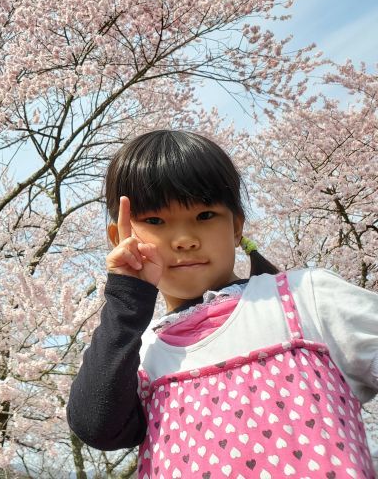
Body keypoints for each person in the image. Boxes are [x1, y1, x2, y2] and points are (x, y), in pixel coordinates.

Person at [66, 129, 378, 477]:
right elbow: (96, 426)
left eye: (204, 216)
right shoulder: (141, 356)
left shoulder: (306, 299)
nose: (184, 239)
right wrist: (126, 299)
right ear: (121, 237)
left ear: (236, 227)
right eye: (155, 221)